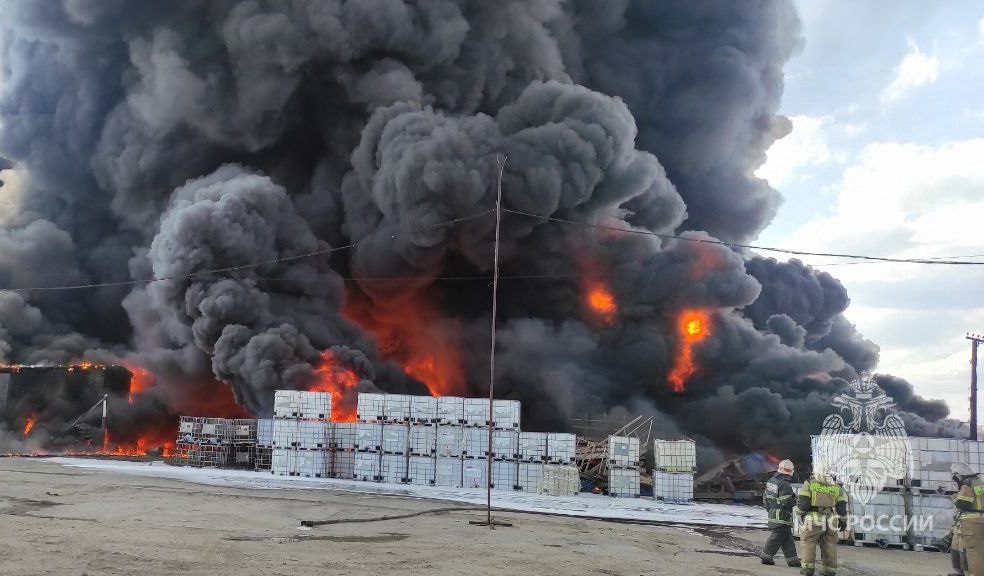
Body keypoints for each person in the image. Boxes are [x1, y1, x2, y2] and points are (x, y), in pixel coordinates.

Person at [796, 460, 847, 576]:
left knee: (808, 542)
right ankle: (829, 570)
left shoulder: (810, 483)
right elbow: (841, 506)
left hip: (813, 520)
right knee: (830, 544)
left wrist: (799, 513)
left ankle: (808, 569)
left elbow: (803, 503)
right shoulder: (836, 487)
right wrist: (843, 520)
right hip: (831, 520)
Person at [760, 459, 801, 567]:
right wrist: (796, 500)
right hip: (782, 516)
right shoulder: (784, 484)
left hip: (773, 513)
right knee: (777, 536)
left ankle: (793, 560)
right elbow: (786, 502)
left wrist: (769, 509)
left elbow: (765, 498)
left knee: (787, 538)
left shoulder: (771, 481)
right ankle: (766, 556)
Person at [950, 462, 984, 576]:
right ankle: (961, 573)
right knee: (962, 548)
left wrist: (954, 497)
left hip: (971, 524)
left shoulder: (967, 483)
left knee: (972, 552)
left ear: (958, 474)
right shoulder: (979, 482)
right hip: (976, 522)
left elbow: (962, 503)